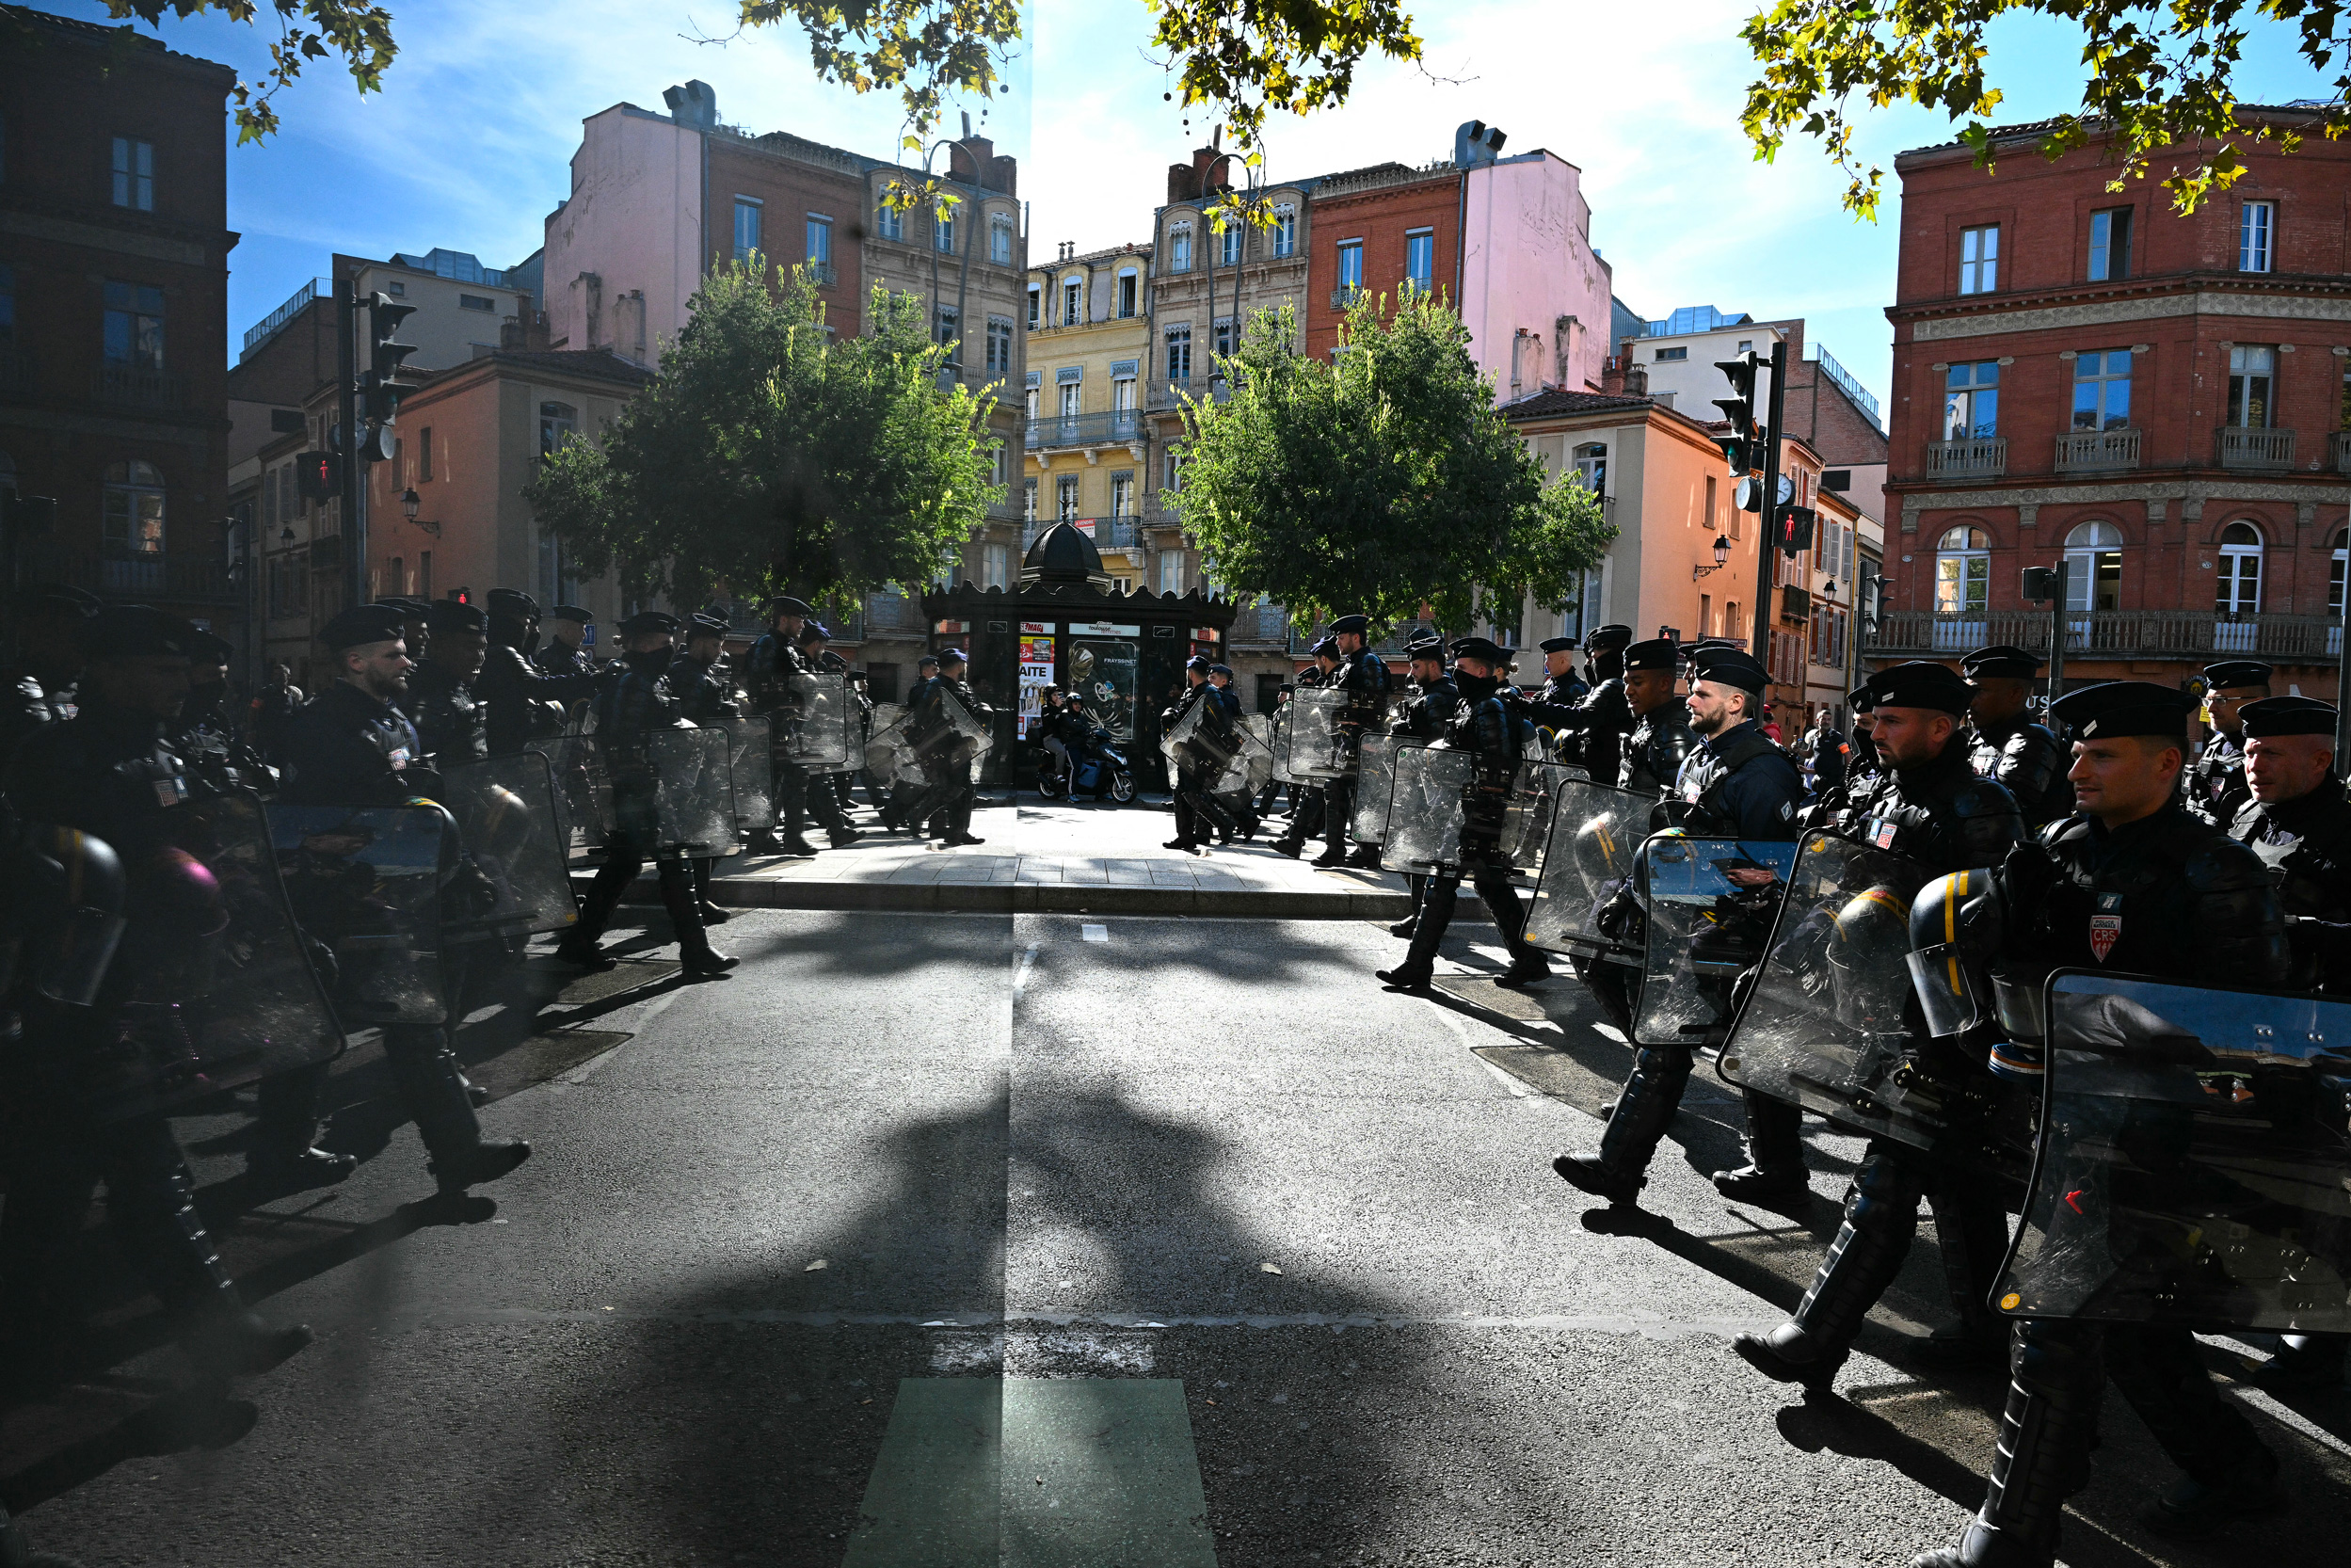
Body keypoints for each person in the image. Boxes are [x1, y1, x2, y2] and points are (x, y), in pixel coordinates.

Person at [1913, 679, 2292, 1566]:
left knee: (2053, 1325)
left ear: (2167, 763)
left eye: (2101, 754)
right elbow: (1996, 964)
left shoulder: (2218, 871)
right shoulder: (2055, 846)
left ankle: (2010, 1541)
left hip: (2155, 1138)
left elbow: (2255, 1033)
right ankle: (2238, 1473)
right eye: (2075, 752)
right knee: (2132, 1331)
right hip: (2057, 1119)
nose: (2076, 767)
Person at [1, 604, 316, 1384]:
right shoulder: (54, 758)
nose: (181, 684)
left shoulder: (164, 750)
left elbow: (190, 841)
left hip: (141, 986)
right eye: (162, 670)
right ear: (107, 672)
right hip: (71, 993)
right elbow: (55, 881)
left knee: (55, 1183)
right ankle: (216, 1331)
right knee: (138, 1163)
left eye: (184, 671)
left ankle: (30, 1339)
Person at [1732, 661, 2024, 1387]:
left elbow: (1983, 929)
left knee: (1893, 1173)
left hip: (1944, 1020)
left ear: (1941, 726)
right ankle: (1988, 1337)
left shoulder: (1979, 807)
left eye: (1893, 721)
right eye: (1875, 720)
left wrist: (1953, 1025)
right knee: (1959, 1181)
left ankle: (1815, 1338)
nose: (1874, 729)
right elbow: (1846, 889)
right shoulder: (1885, 790)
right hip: (1874, 1001)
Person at [269, 602, 536, 1196]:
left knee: (403, 1021)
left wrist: (461, 866)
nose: (406, 660)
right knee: (322, 1027)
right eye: (392, 655)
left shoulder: (392, 720)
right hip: (343, 896)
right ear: (355, 662)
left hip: (400, 889)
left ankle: (453, 1154)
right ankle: (280, 1152)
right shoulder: (321, 725)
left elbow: (422, 796)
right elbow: (326, 818)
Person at [1554, 644, 1806, 1207]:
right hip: (1681, 923)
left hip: (1733, 938)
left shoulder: (1763, 772)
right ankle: (1621, 1170)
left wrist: (1713, 887)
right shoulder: (1702, 757)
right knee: (1665, 1044)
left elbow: (1772, 872)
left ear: (1737, 703)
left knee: (1747, 1051)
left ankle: (1778, 1175)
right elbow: (1666, 834)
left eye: (1702, 693)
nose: (1688, 698)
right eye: (1692, 688)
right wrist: (1631, 893)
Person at [560, 611, 740, 977]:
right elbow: (623, 740)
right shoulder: (630, 683)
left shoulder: (647, 680)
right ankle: (696, 950)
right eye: (664, 645)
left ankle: (579, 942)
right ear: (643, 644)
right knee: (675, 863)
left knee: (624, 864)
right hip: (639, 788)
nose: (670, 652)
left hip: (648, 786)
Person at [1375, 636, 1552, 991]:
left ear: (1483, 671)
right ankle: (1530, 960)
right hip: (1469, 810)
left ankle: (1417, 966)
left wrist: (1473, 815)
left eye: (1463, 667)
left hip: (1479, 815)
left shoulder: (1489, 708)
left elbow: (1498, 768)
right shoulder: (1471, 705)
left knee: (1442, 884)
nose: (1457, 671)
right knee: (1491, 885)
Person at [667, 613, 742, 925]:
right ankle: (696, 899)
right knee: (701, 836)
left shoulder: (699, 672)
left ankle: (696, 897)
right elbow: (699, 719)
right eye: (715, 643)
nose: (720, 650)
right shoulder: (690, 676)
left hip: (700, 766)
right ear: (697, 643)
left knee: (706, 835)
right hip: (692, 767)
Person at [1384, 635, 1457, 940]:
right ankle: (1421, 914)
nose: (1411, 672)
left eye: (1415, 666)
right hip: (1423, 790)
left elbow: (1441, 750)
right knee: (1413, 853)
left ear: (1432, 665)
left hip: (1432, 792)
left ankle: (1422, 917)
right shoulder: (1431, 695)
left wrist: (1403, 730)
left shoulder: (1439, 698)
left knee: (1419, 853)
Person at [1960, 645, 2073, 827]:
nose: (1969, 701)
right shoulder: (1978, 741)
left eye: (1978, 691)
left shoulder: (2034, 742)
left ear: (2015, 693)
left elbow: (2003, 819)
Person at [478, 588, 598, 756]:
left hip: (527, 740)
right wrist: (585, 680)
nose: (529, 632)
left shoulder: (505, 652)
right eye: (526, 625)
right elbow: (537, 685)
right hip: (508, 745)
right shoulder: (502, 653)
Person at [1319, 614, 1392, 869]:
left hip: (1363, 741)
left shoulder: (1369, 662)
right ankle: (1345, 849)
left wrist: (1357, 724)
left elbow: (1375, 703)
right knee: (1341, 792)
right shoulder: (1352, 664)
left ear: (1356, 637)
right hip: (1347, 740)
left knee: (1358, 796)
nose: (1337, 643)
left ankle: (1362, 850)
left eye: (1341, 638)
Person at [1, 583, 99, 771]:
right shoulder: (6, 689)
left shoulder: (90, 690)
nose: (81, 648)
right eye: (70, 636)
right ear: (31, 634)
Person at [907, 647, 991, 846]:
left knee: (965, 788)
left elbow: (968, 712)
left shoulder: (958, 685)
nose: (964, 666)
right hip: (944, 746)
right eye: (962, 662)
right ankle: (917, 813)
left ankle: (958, 832)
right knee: (952, 788)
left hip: (962, 743)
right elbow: (924, 716)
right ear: (957, 665)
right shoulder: (936, 686)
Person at [404, 598, 490, 768]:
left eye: (482, 648)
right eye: (470, 647)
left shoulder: (456, 686)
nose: (479, 657)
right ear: (438, 646)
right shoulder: (427, 698)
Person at [1271, 646, 1338, 858]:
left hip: (1338, 750)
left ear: (1323, 658)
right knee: (1313, 793)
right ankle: (1295, 840)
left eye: (1317, 661)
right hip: (1325, 749)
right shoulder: (1330, 679)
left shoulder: (1340, 677)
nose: (1316, 666)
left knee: (1336, 799)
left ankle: (1340, 848)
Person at [2184, 658, 2270, 825]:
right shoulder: (2217, 745)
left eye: (2221, 700)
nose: (2210, 709)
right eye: (2208, 700)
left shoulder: (2273, 750)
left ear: (2255, 703)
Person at [1161, 656, 1214, 852]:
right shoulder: (1192, 693)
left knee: (1192, 794)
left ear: (1190, 673)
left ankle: (1225, 823)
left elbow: (1213, 726)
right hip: (1185, 752)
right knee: (1181, 793)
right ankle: (1185, 837)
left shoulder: (1208, 694)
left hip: (1198, 755)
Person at [248, 658, 306, 767]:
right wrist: (251, 729)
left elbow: (295, 713)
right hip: (267, 737)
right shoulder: (265, 693)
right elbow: (253, 709)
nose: (278, 677)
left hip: (284, 738)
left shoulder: (291, 695)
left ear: (288, 676)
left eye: (282, 674)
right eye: (275, 674)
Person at [535, 605, 597, 679]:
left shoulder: (580, 656)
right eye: (581, 629)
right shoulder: (548, 656)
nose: (584, 634)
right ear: (567, 631)